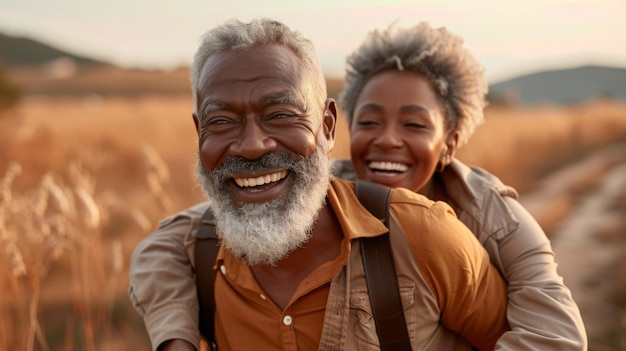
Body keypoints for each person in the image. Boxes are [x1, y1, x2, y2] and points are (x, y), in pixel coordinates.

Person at [128, 18, 510, 351]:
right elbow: (155, 252)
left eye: (280, 114)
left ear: (327, 126)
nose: (250, 146)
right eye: (222, 121)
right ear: (199, 133)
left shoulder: (422, 237)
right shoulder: (199, 256)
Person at [332, 21, 587, 350]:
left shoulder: (496, 218)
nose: (387, 139)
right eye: (369, 122)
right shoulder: (319, 199)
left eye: (413, 124)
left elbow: (558, 339)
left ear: (449, 144)